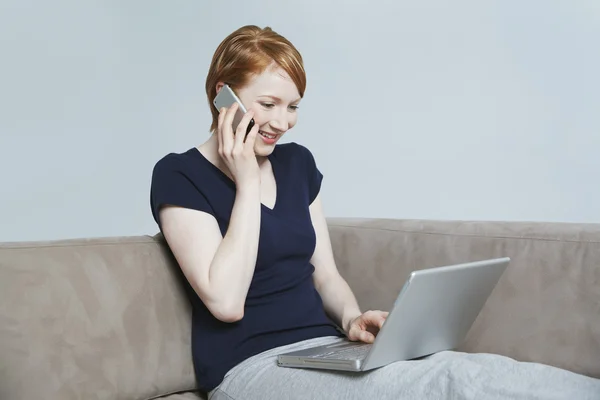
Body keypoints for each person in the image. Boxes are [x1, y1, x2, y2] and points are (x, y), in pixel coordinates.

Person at [149, 25, 600, 400]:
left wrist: (350, 318)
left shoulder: (297, 164)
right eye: (268, 104)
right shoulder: (179, 175)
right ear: (221, 95)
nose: (283, 122)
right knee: (446, 385)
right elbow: (226, 303)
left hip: (325, 349)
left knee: (463, 370)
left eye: (293, 107)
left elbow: (324, 274)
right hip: (250, 368)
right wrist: (246, 182)